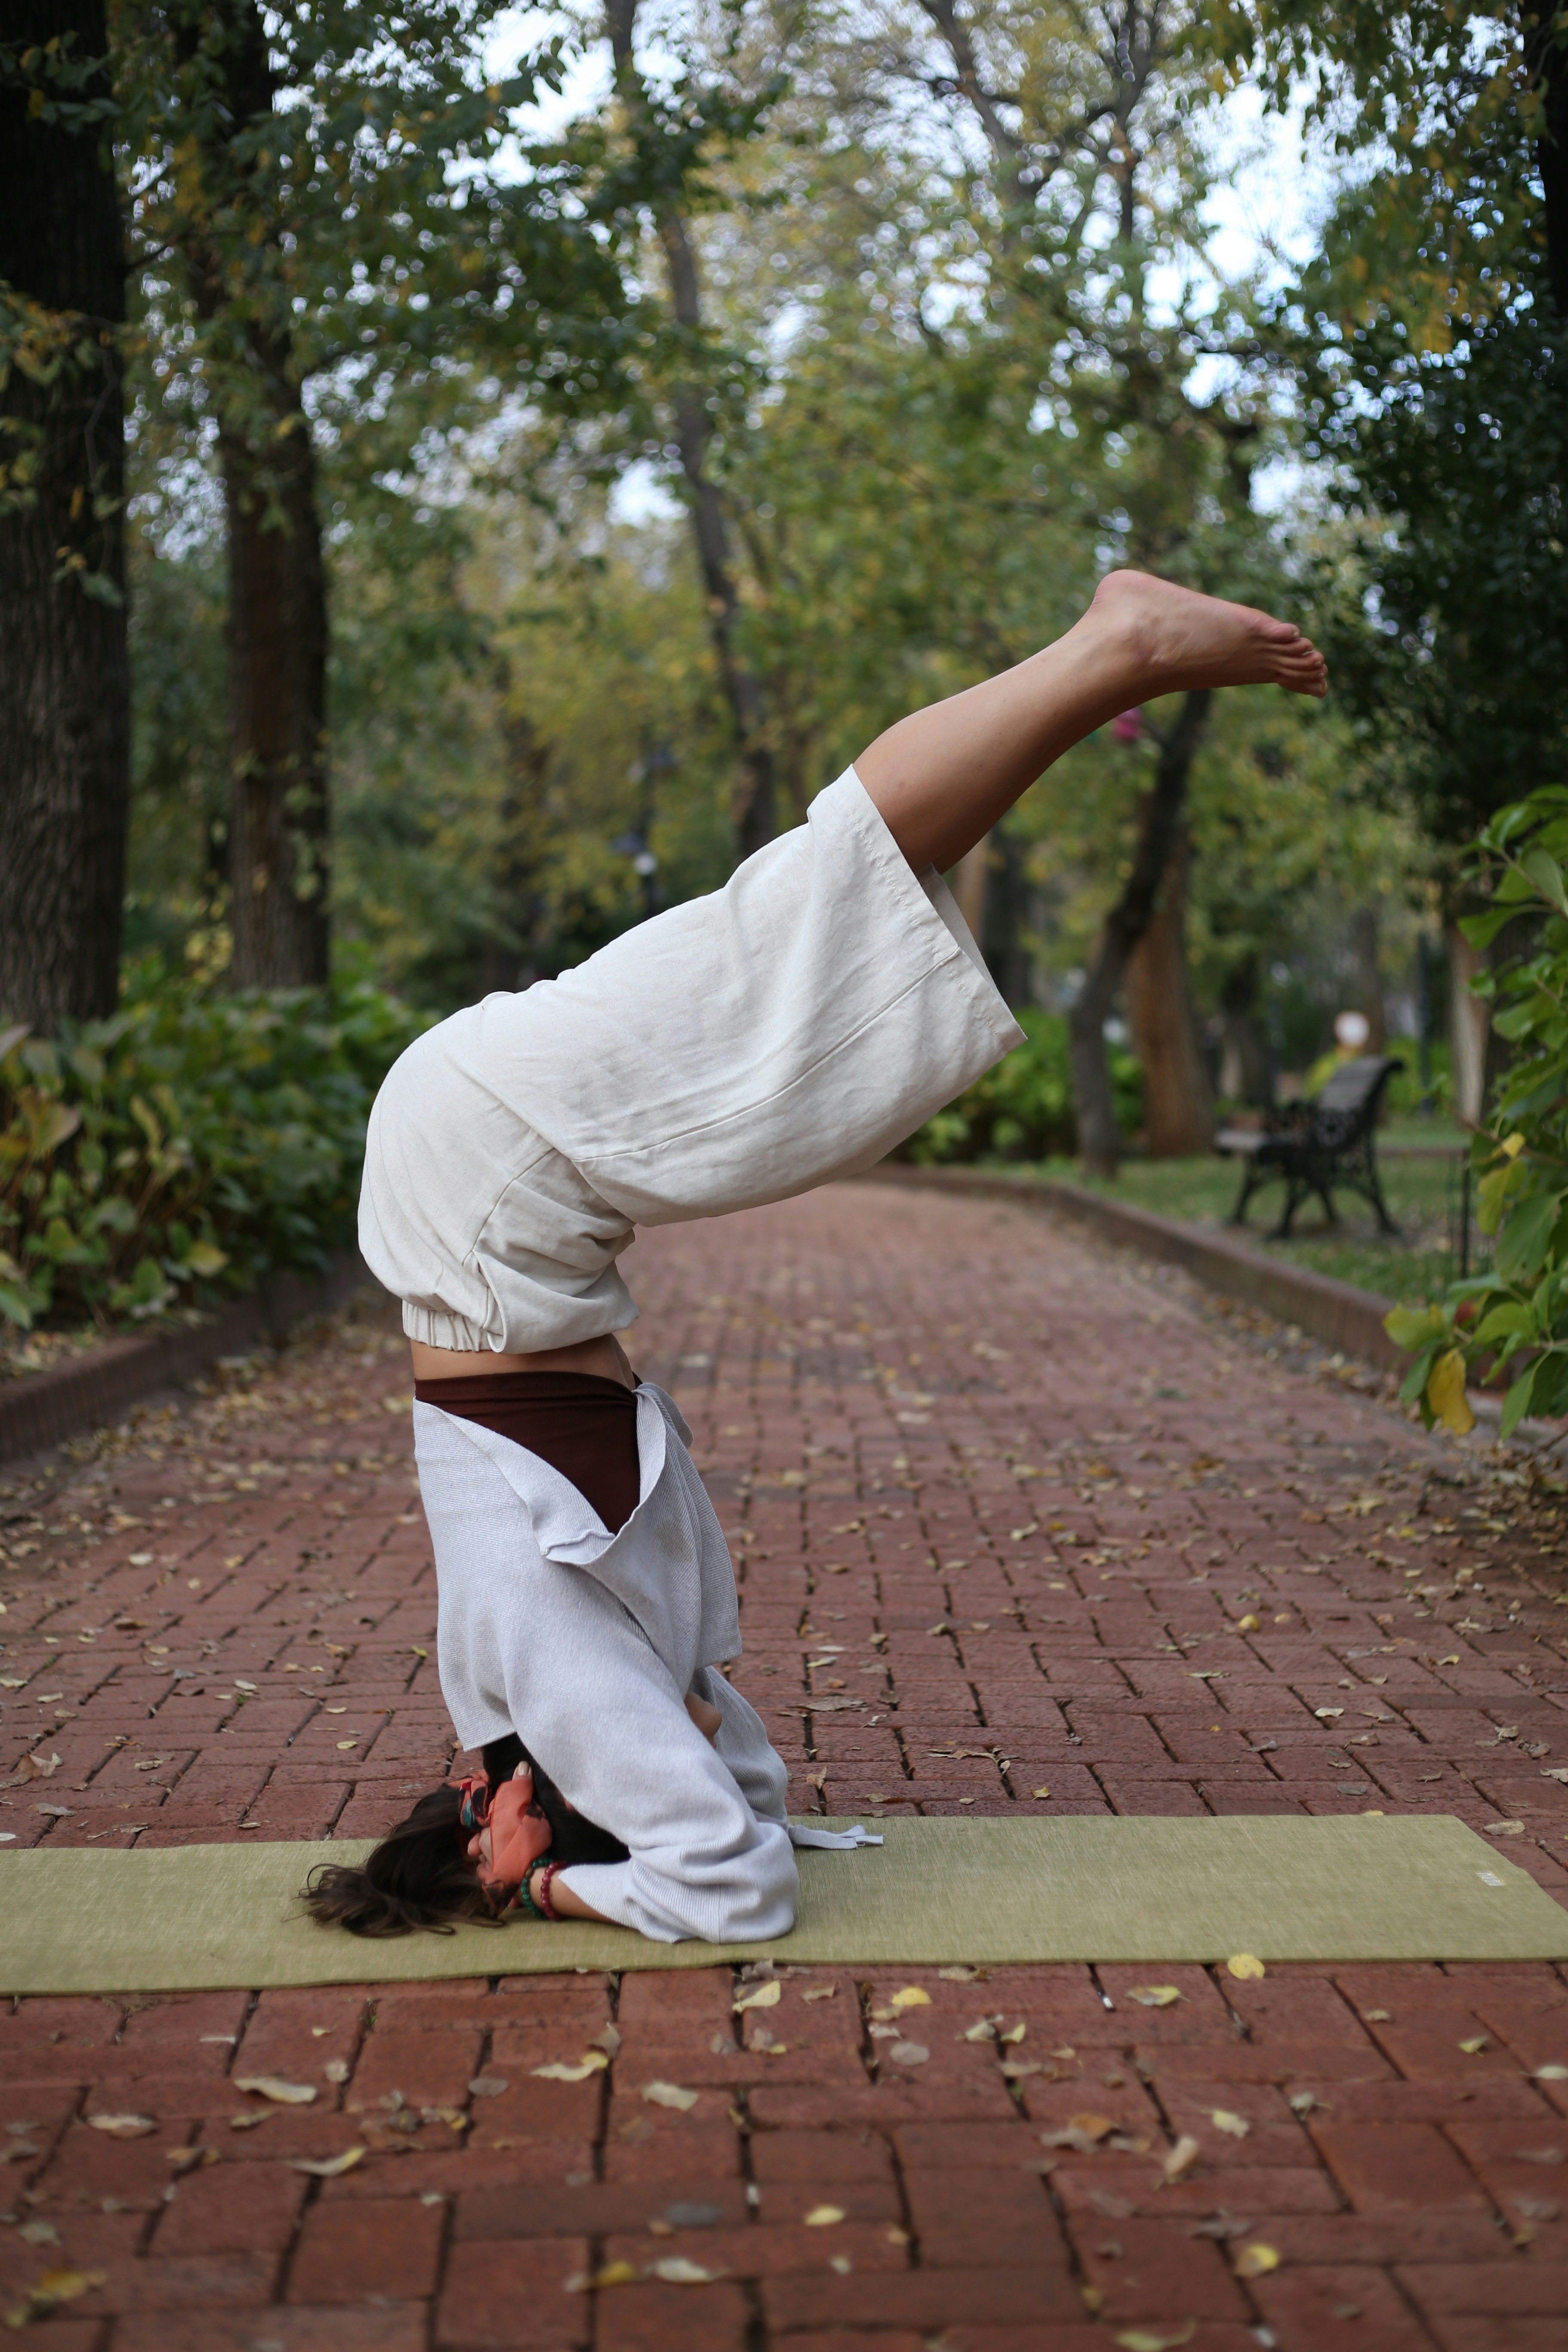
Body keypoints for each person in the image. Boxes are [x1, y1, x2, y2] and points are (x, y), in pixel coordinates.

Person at [305, 570, 1326, 1942]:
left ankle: (1117, 649)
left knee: (806, 919)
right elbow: (742, 1812)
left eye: (468, 1839)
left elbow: (722, 1874)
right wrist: (556, 1861)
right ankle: (1110, 656)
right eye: (480, 1835)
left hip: (491, 1187)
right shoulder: (581, 1696)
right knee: (804, 923)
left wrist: (540, 1877)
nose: (470, 1813)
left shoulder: (542, 1685)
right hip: (493, 1194)